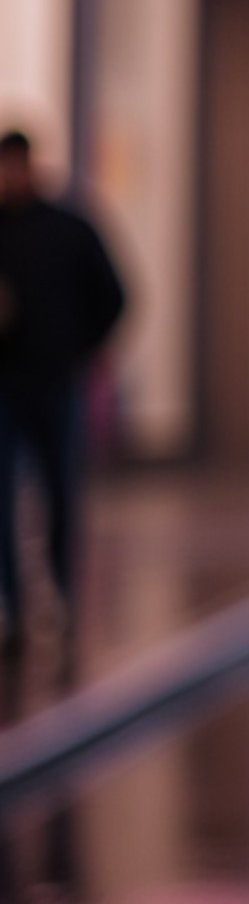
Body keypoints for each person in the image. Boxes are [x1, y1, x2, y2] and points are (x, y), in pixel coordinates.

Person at [0, 128, 126, 658]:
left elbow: (115, 294)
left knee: (60, 493)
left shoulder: (68, 227)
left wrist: (79, 350)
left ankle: (63, 593)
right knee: (4, 497)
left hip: (56, 382)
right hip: (5, 386)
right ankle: (12, 603)